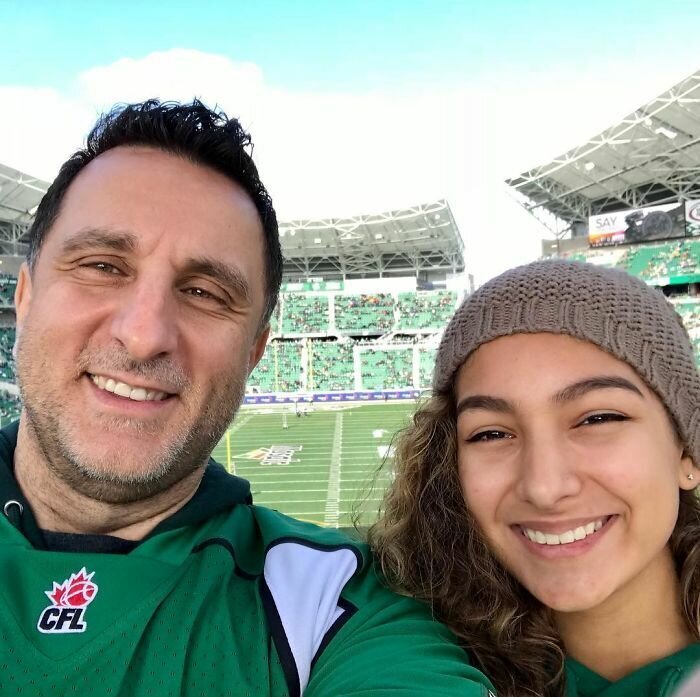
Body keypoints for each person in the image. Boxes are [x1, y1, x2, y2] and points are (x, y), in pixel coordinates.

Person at [2, 100, 495, 696]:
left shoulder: (338, 604)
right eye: (103, 265)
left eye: (206, 292)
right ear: (25, 297)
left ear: (256, 350)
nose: (144, 333)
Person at [370, 259, 700, 697]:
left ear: (687, 453)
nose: (544, 487)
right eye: (491, 433)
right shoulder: (402, 645)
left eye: (598, 418)